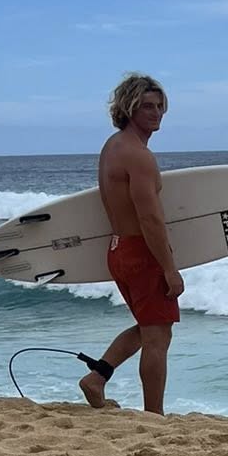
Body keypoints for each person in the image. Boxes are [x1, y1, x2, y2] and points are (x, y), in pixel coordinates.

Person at [77, 74, 182, 414]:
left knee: (149, 328)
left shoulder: (113, 146)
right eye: (147, 106)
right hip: (141, 252)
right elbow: (149, 219)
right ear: (129, 108)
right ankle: (155, 415)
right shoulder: (138, 155)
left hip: (118, 249)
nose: (156, 113)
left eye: (160, 106)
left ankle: (97, 377)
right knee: (158, 338)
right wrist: (169, 269)